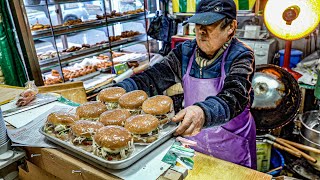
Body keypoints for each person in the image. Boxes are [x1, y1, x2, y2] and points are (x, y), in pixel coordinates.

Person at [115, 0, 256, 169]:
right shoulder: (186, 52)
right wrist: (121, 89)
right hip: (193, 139)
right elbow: (153, 78)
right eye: (198, 24)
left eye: (210, 24)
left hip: (231, 145)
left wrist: (202, 112)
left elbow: (235, 95)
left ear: (231, 27)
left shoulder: (241, 55)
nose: (201, 31)